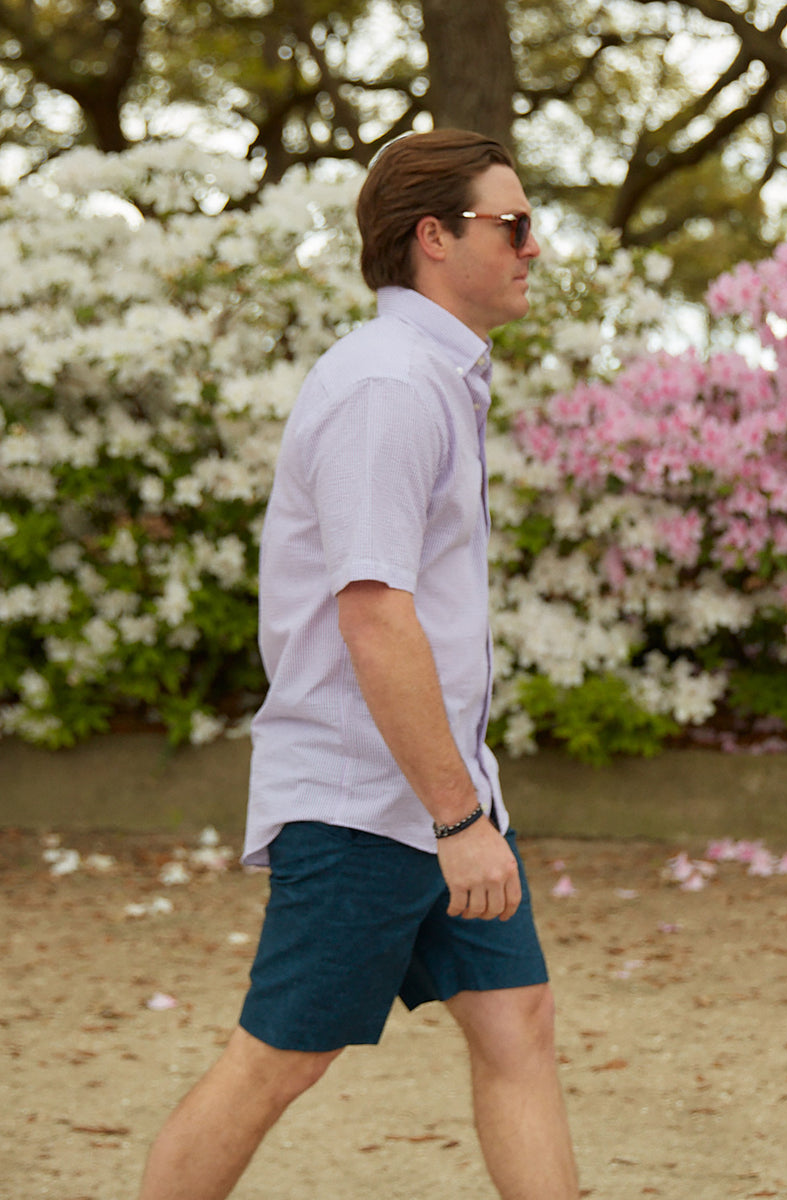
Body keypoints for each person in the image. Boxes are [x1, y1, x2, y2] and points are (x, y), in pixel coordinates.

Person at [136, 129, 579, 1200]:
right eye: (511, 225)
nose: (534, 247)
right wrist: (458, 822)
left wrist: (464, 807)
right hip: (372, 804)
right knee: (278, 1060)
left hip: (433, 792)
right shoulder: (387, 385)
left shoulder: (432, 374)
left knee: (516, 1020)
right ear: (435, 237)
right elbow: (373, 617)